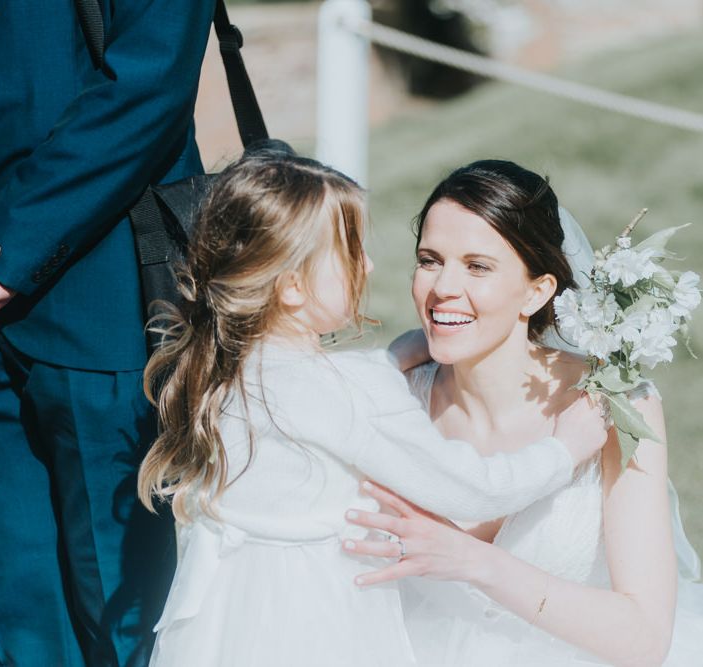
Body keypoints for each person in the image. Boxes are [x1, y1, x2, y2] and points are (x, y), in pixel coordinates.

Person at [137, 153, 607, 667]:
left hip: (232, 617)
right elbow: (476, 489)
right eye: (352, 251)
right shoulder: (350, 393)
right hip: (320, 620)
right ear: (293, 285)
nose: (370, 265)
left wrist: (398, 356)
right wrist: (564, 451)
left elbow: (330, 395)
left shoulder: (229, 368)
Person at [342, 159, 703, 666]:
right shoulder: (393, 398)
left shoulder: (612, 406)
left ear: (537, 291)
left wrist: (475, 563)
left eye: (478, 266)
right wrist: (388, 364)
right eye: (429, 259)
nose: (443, 286)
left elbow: (644, 638)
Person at [0, 2, 216, 665]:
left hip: (102, 294)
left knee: (123, 608)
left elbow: (149, 82)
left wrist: (7, 249)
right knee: (11, 610)